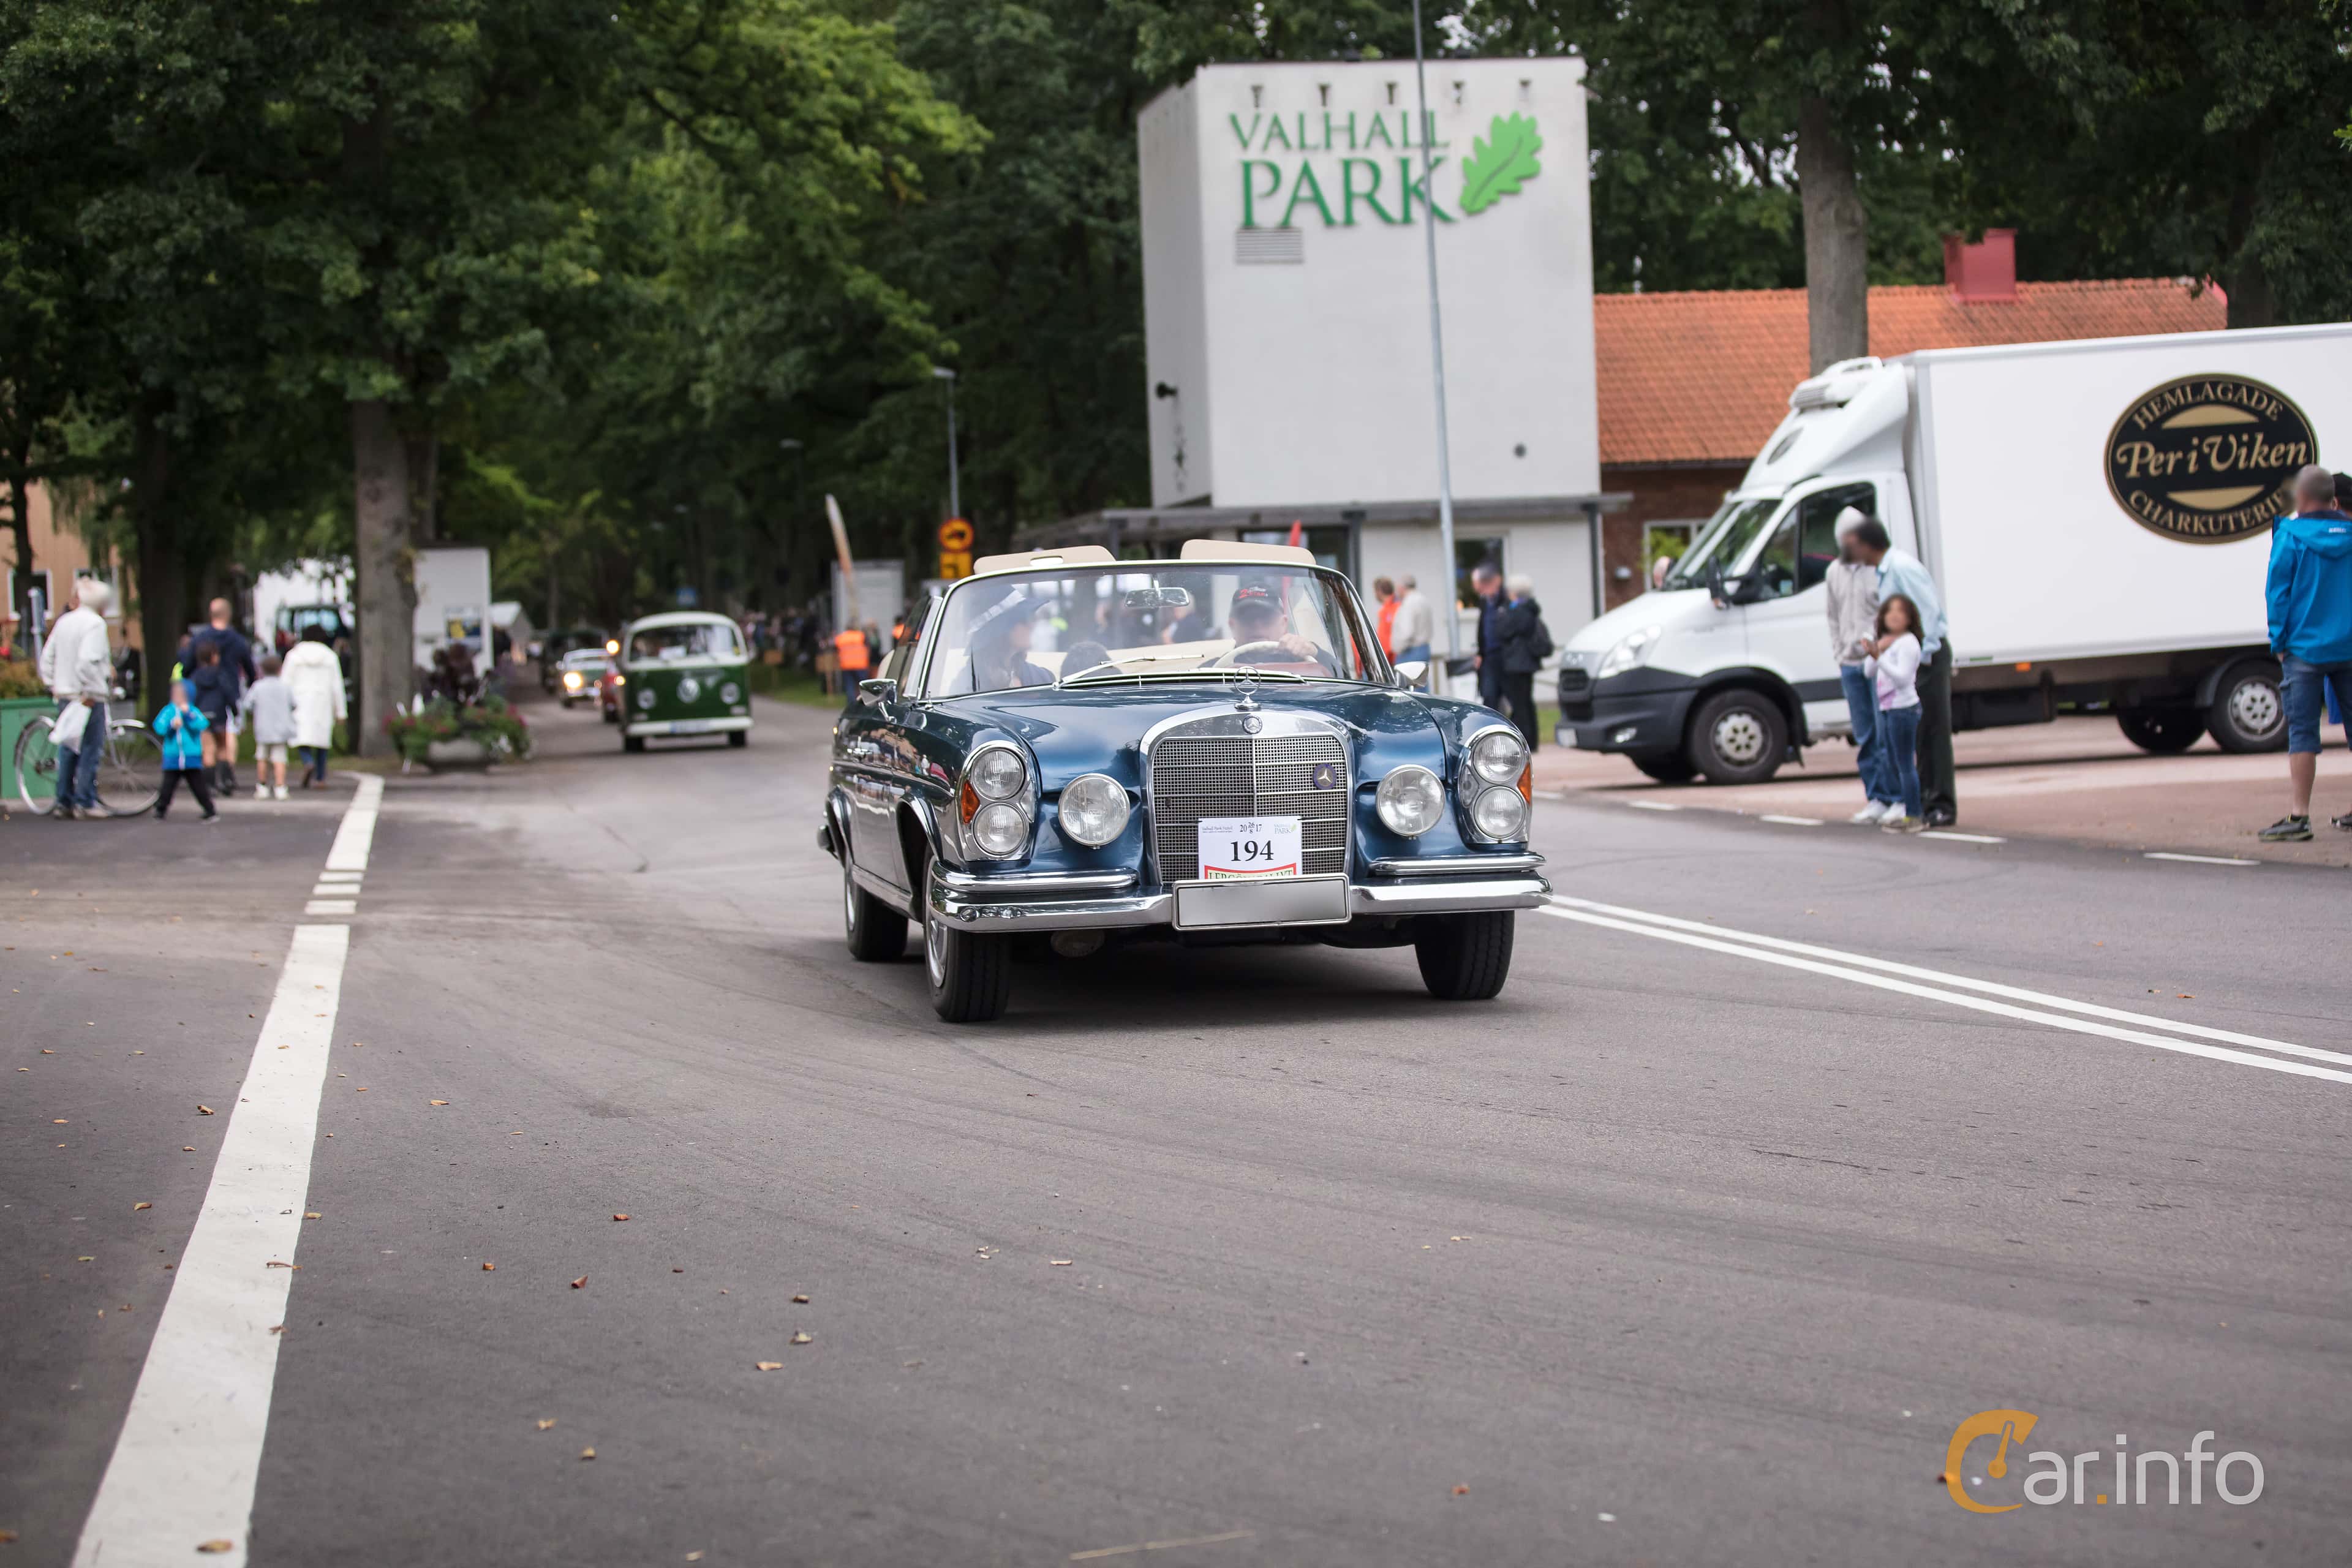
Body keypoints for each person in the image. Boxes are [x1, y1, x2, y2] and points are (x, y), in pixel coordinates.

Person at [2259, 465, 2352, 842]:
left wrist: (2279, 643)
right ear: (2333, 499)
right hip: (2349, 646)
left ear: (2300, 498)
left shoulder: (2291, 537)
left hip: (2304, 651)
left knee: (2303, 733)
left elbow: (2277, 595)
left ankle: (2300, 817)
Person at [1845, 518, 1954, 825]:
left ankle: (1942, 805)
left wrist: (1917, 655)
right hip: (1913, 658)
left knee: (1933, 734)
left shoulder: (1902, 568)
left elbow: (1929, 615)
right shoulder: (1886, 571)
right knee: (1918, 738)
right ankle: (1924, 804)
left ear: (1868, 546)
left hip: (1926, 657)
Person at [1826, 507, 1896, 823]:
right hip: (1850, 665)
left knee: (1885, 734)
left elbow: (1890, 613)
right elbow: (1832, 615)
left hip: (1877, 664)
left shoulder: (1879, 569)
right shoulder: (1834, 573)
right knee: (1865, 735)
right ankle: (1876, 798)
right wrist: (1839, 651)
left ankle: (1895, 797)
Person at [36, 578, 113, 820]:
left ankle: (64, 800)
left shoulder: (64, 622)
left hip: (66, 693)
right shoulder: (95, 625)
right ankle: (85, 801)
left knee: (68, 747)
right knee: (90, 748)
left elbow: (47, 657)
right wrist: (92, 691)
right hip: (87, 696)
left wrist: (53, 684)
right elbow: (87, 662)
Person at [176, 598, 255, 794]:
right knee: (228, 737)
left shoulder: (199, 640)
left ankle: (208, 780)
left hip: (202, 698)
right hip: (227, 695)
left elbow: (186, 667)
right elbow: (250, 669)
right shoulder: (237, 640)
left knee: (207, 742)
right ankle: (228, 776)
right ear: (228, 615)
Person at [1865, 595, 1926, 834]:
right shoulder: (1889, 642)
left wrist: (1880, 657)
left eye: (1900, 612)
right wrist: (1875, 650)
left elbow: (1902, 678)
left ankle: (1914, 814)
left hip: (1904, 708)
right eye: (1889, 612)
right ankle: (1908, 810)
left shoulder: (1909, 643)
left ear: (1910, 618)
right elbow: (1869, 671)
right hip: (1888, 709)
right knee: (1894, 761)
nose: (1894, 616)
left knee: (1904, 764)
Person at [283, 625, 345, 788]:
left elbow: (286, 682)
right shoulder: (330, 656)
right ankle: (320, 777)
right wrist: (341, 711)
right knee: (322, 741)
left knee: (302, 737)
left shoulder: (294, 656)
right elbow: (337, 686)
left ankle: (308, 761)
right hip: (323, 701)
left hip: (300, 700)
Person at [1495, 573, 1551, 748]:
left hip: (1516, 662)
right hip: (1527, 661)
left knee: (1519, 703)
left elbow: (1503, 631)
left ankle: (1525, 740)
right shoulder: (1530, 609)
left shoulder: (1518, 612)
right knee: (1526, 701)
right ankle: (1532, 740)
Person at [151, 678, 219, 821]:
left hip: (191, 756)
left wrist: (188, 716)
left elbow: (202, 724)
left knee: (199, 786)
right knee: (167, 787)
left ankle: (210, 809)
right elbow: (159, 727)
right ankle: (160, 809)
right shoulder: (168, 711)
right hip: (173, 756)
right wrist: (171, 726)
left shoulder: (192, 710)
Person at [239, 654, 297, 800]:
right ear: (280, 669)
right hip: (281, 729)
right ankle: (280, 787)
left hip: (263, 728)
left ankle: (262, 786)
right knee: (280, 759)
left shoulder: (258, 687)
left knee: (262, 758)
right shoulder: (285, 687)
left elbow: (248, 704)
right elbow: (294, 704)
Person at [1469, 561, 1506, 708]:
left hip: (1504, 655)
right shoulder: (1485, 601)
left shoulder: (1505, 599)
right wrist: (1480, 653)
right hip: (1488, 656)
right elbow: (1482, 627)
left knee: (1508, 695)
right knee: (1489, 695)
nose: (1476, 588)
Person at [1392, 575, 1434, 669]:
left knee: (1408, 682)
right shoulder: (1423, 599)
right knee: (1420, 682)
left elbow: (1407, 632)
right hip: (1424, 648)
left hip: (1411, 651)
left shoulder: (1409, 603)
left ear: (1402, 587)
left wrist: (1398, 648)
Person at [1371, 577, 1399, 658]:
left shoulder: (1394, 608)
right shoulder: (1388, 608)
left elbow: (1388, 636)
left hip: (1390, 658)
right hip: (1388, 656)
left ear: (1379, 592)